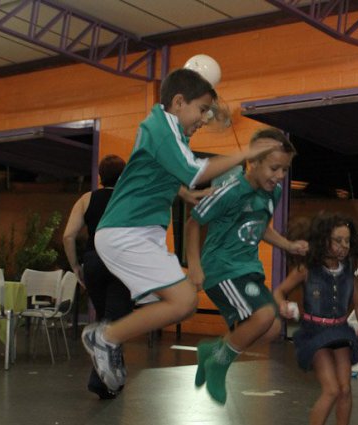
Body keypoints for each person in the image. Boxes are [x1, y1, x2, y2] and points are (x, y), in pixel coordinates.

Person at [81, 67, 282, 393]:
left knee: (171, 302)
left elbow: (151, 170)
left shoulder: (160, 127)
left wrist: (184, 193)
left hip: (138, 233)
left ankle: (109, 338)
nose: (204, 119)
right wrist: (246, 151)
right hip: (126, 232)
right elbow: (193, 170)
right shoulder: (164, 128)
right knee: (184, 300)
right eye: (202, 110)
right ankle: (104, 337)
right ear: (178, 102)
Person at [185, 127, 307, 404]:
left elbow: (260, 228)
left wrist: (288, 245)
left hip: (246, 269)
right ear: (253, 162)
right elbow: (193, 222)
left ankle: (212, 352)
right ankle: (219, 364)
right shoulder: (229, 191)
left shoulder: (271, 194)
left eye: (285, 170)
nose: (279, 177)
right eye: (274, 168)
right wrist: (194, 265)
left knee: (273, 327)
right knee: (263, 316)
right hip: (221, 267)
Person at [274, 212, 358, 425]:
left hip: (339, 331)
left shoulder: (348, 269)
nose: (344, 246)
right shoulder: (307, 268)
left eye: (347, 241)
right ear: (324, 240)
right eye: (338, 240)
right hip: (315, 332)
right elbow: (279, 291)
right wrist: (283, 305)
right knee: (331, 389)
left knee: (345, 389)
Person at [63, 155, 131, 399]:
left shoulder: (86, 199)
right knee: (115, 321)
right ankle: (101, 379)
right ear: (124, 175)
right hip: (121, 262)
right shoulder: (129, 198)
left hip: (93, 261)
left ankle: (111, 381)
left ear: (101, 176)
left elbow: (69, 236)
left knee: (107, 319)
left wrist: (75, 266)